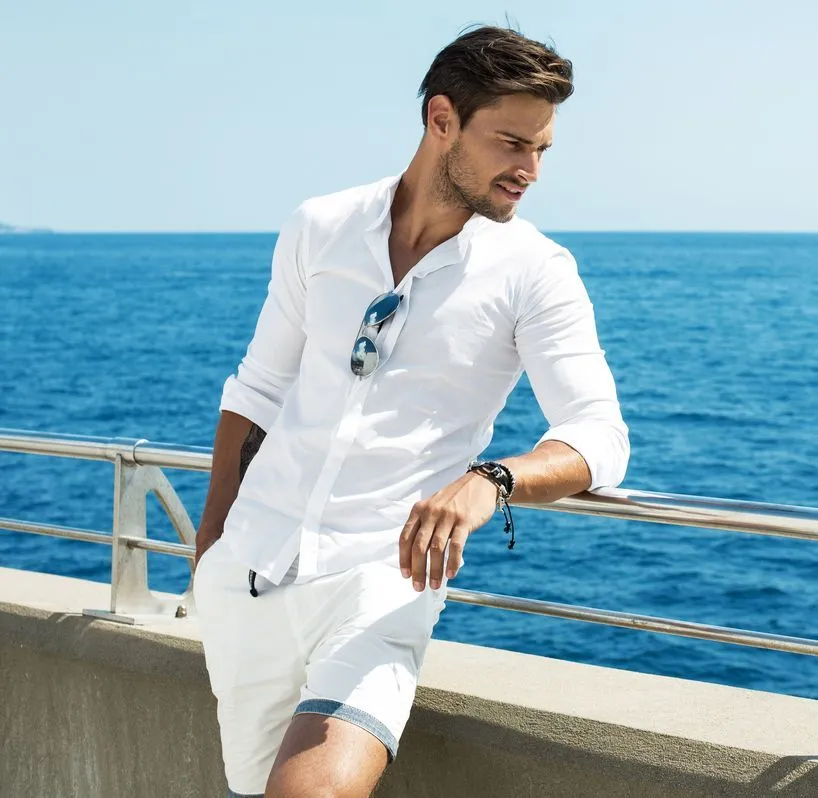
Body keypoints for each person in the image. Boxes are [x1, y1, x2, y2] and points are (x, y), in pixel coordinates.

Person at [193, 24, 629, 798]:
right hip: (251, 575)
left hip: (381, 584)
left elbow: (599, 437)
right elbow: (258, 389)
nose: (529, 169)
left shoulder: (535, 272)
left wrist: (490, 480)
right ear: (441, 120)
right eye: (510, 144)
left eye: (542, 150)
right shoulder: (320, 226)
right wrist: (211, 549)